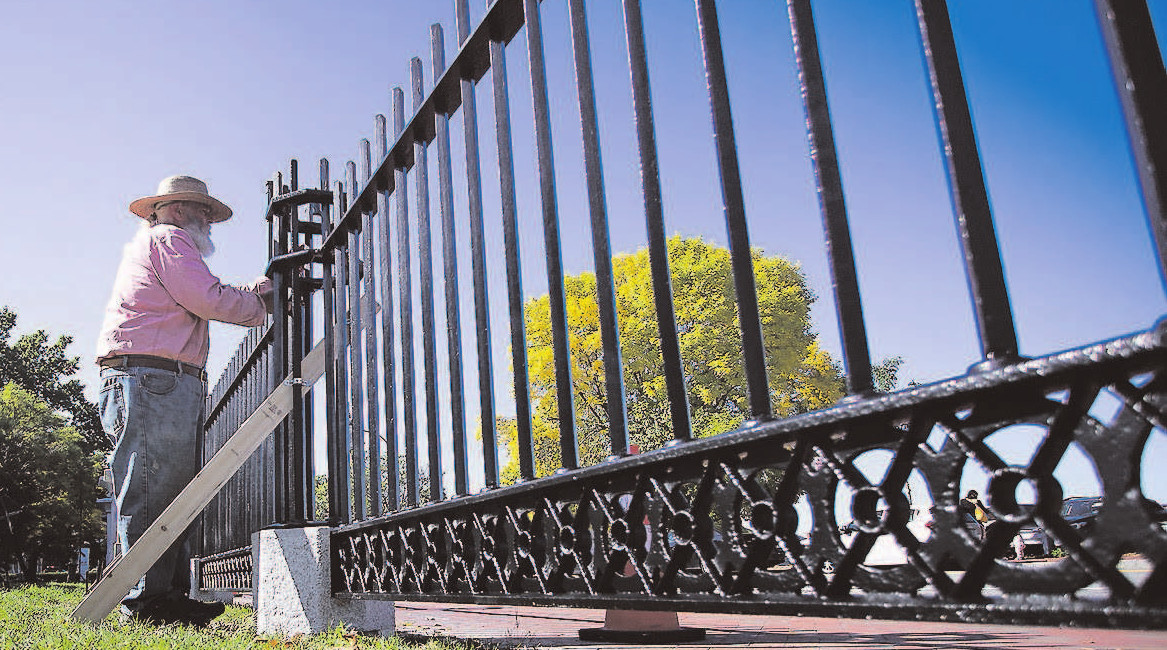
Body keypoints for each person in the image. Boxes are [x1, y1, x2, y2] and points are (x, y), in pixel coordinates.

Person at [96, 175, 273, 625]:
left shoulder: (160, 242)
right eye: (203, 211)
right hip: (153, 377)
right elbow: (205, 297)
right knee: (155, 492)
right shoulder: (170, 237)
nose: (209, 221)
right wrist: (261, 303)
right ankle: (148, 602)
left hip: (157, 378)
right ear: (175, 210)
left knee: (168, 493)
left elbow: (202, 296)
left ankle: (164, 598)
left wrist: (252, 297)